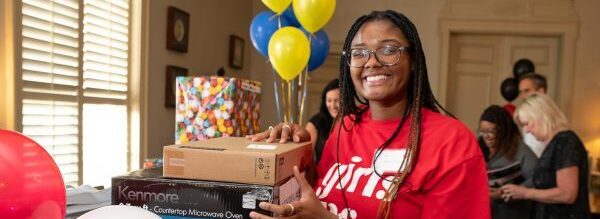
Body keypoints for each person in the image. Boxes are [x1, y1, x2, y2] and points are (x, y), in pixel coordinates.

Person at [246, 10, 489, 219]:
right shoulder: (346, 126)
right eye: (359, 53)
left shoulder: (453, 143)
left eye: (388, 49)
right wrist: (296, 155)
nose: (371, 62)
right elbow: (319, 195)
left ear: (413, 60)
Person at [501, 93, 590, 219]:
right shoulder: (555, 143)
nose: (526, 130)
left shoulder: (565, 141)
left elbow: (567, 194)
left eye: (527, 123)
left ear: (541, 117)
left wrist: (526, 193)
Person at [478, 105, 538, 219]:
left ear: (503, 130)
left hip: (515, 213)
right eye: (482, 131)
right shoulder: (478, 146)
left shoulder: (519, 148)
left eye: (491, 131)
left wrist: (506, 192)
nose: (486, 136)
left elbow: (538, 178)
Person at [305, 78, 340, 164]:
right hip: (322, 175)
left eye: (337, 100)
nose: (333, 105)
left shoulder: (354, 120)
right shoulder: (315, 123)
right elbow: (307, 158)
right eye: (329, 101)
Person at [518, 73, 548, 158]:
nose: (523, 96)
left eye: (527, 91)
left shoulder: (551, 118)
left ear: (540, 92)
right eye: (521, 92)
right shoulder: (524, 117)